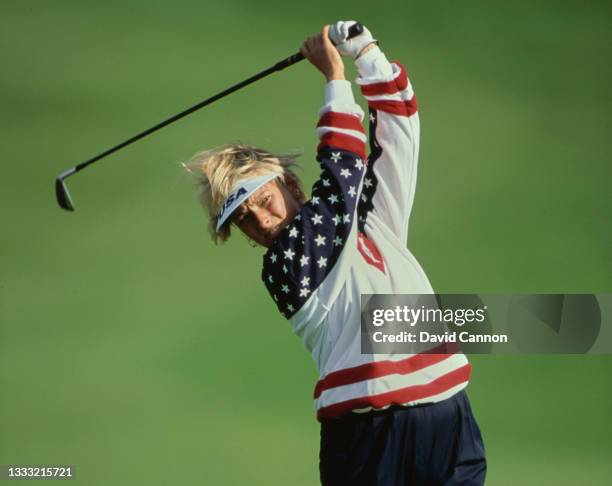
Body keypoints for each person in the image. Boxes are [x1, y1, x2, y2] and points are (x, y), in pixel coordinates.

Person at [184, 21, 486, 486]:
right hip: (367, 432)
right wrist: (334, 77)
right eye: (245, 219)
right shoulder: (287, 266)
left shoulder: (366, 224)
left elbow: (398, 137)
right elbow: (344, 167)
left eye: (263, 202)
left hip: (446, 415)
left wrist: (366, 53)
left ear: (289, 185)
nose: (262, 222)